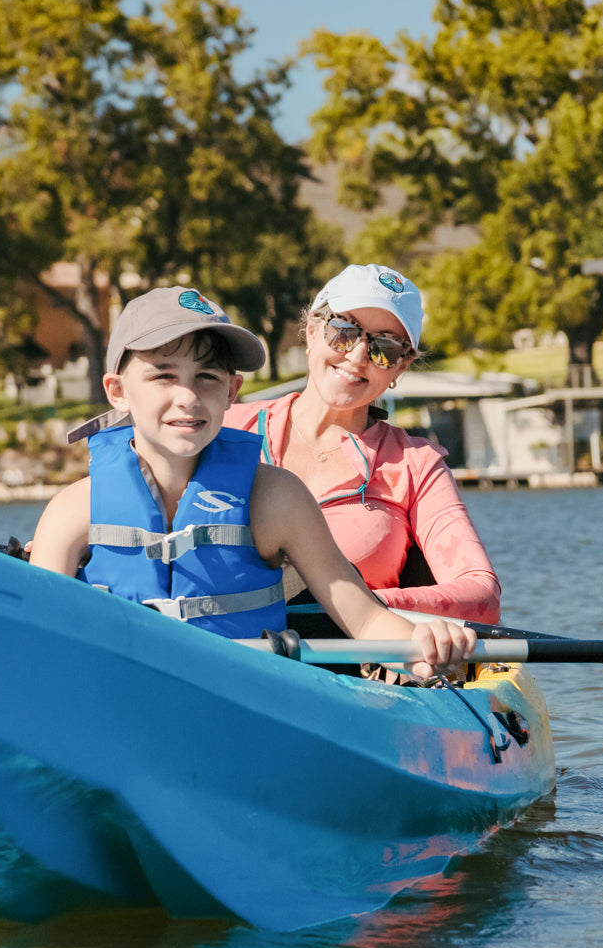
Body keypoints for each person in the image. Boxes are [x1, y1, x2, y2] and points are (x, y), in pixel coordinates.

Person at [29, 286, 475, 679]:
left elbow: (366, 621)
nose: (187, 397)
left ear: (231, 392)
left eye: (207, 378)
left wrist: (420, 645)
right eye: (163, 375)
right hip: (116, 693)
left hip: (245, 701)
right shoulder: (72, 513)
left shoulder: (277, 499)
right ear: (117, 391)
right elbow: (32, 642)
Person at [224, 263, 501, 623]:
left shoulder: (416, 464)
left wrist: (357, 607)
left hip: (351, 663)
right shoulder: (227, 426)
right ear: (311, 332)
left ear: (400, 368)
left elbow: (480, 593)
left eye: (384, 347)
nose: (357, 356)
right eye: (343, 331)